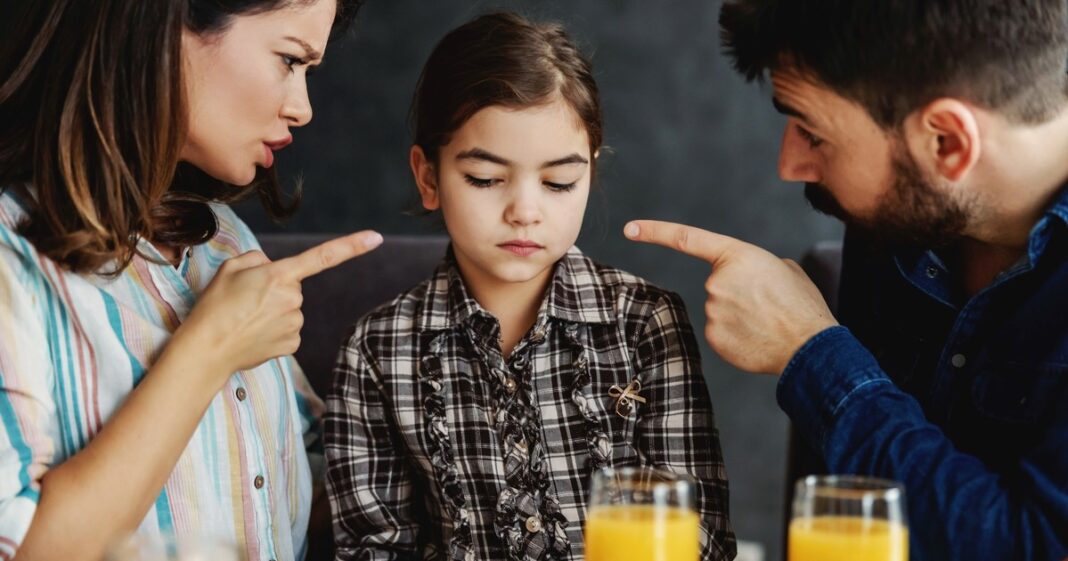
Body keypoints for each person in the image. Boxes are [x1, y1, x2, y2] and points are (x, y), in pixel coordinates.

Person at [624, 1, 1068, 559]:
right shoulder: (902, 213)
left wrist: (810, 352)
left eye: (813, 133)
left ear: (947, 142)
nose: (790, 165)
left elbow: (1036, 544)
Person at [324, 12, 735, 561]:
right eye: (486, 179)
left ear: (589, 173)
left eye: (559, 182)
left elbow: (698, 533)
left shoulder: (645, 322)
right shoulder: (377, 350)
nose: (525, 212)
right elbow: (375, 547)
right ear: (428, 177)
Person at [0, 1, 381, 559]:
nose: (302, 109)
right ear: (163, 27)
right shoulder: (13, 260)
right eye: (289, 59)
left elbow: (304, 484)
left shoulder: (222, 240)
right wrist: (208, 351)